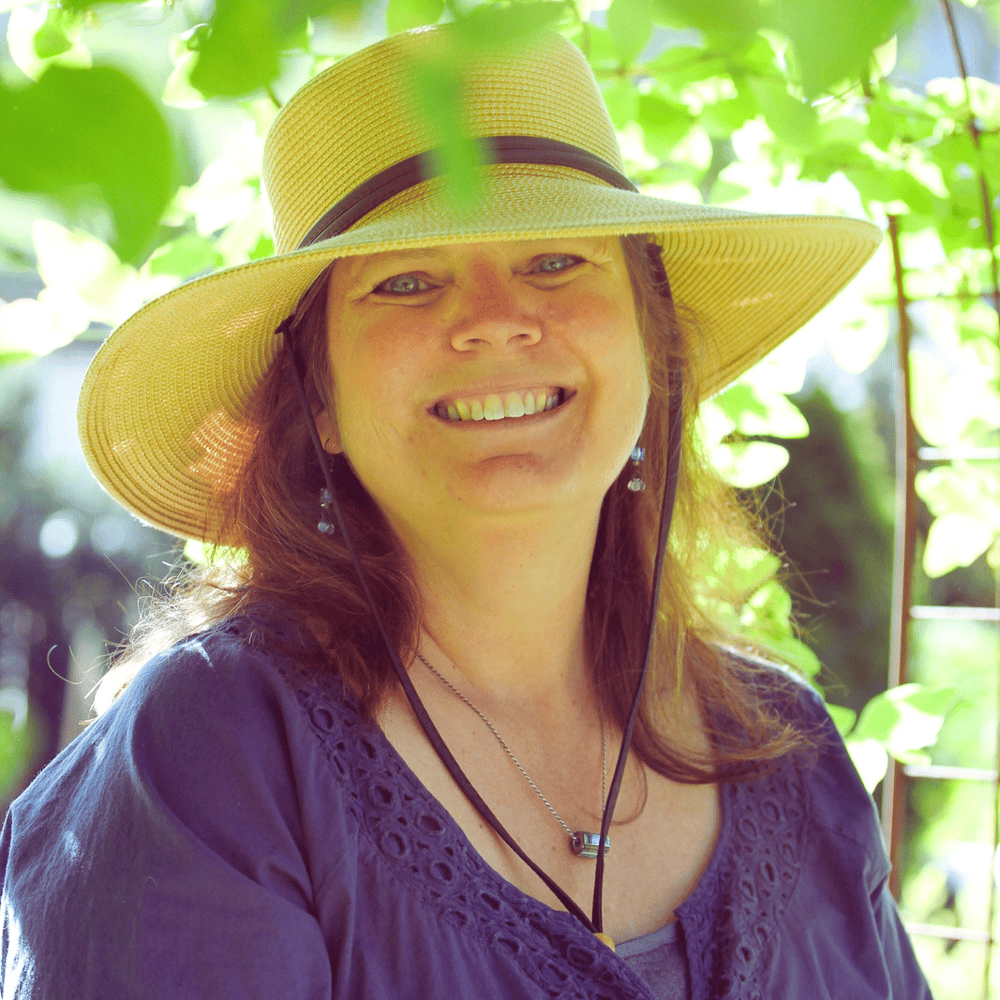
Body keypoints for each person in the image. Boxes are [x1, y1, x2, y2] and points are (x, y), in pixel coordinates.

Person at [0, 25, 931, 1000]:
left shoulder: (788, 748)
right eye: (406, 280)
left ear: (653, 342)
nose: (493, 316)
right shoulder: (212, 757)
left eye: (557, 261)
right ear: (317, 397)